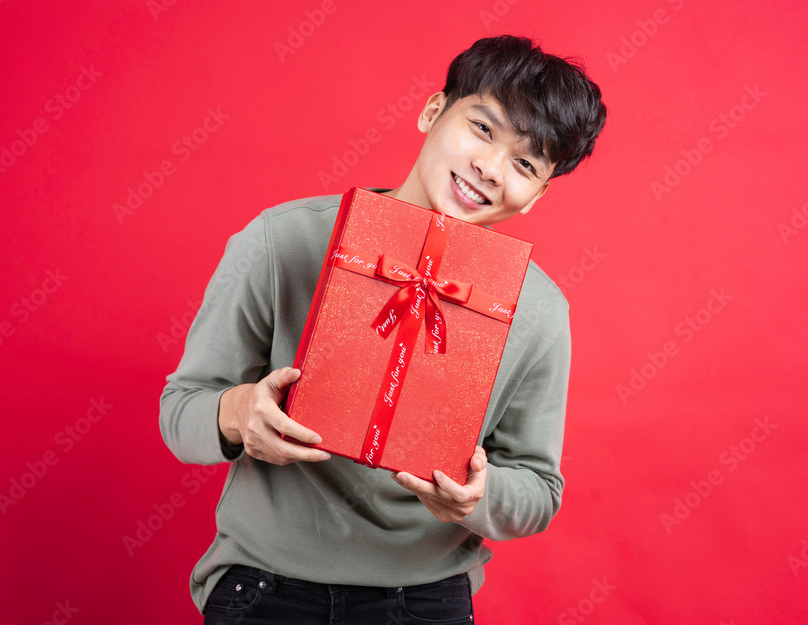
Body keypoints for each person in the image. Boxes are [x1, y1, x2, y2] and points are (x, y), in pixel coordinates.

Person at [160, 34, 606, 624]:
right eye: (483, 129)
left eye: (525, 164)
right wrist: (240, 413)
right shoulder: (281, 241)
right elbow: (180, 411)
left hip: (425, 600)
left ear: (538, 195)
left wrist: (480, 497)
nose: (490, 168)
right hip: (263, 587)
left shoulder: (539, 310)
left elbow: (538, 492)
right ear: (431, 111)